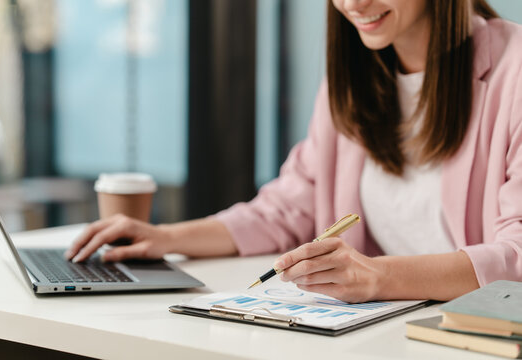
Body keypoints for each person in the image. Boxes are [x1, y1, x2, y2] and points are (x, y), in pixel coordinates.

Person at [65, 0, 522, 303]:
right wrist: (167, 239)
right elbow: (287, 207)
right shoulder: (354, 79)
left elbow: (517, 254)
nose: (353, 4)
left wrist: (379, 277)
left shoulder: (514, 70)